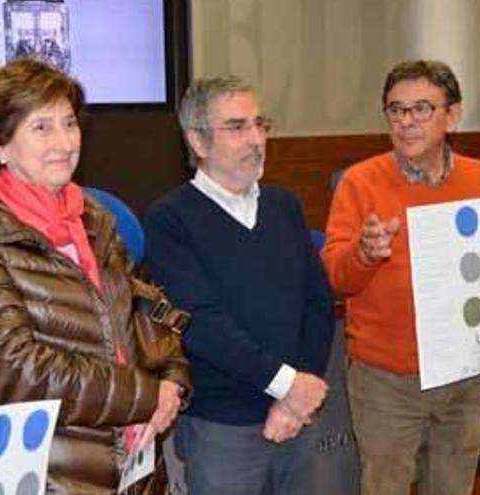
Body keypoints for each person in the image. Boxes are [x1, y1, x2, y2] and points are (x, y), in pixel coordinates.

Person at [0, 58, 191, 495]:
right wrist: (144, 395)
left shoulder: (95, 218)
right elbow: (14, 364)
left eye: (70, 124)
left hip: (134, 467)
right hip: (52, 475)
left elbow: (147, 314)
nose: (64, 142)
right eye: (41, 127)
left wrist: (173, 381)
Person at [322, 60, 480, 495]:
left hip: (468, 376)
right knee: (384, 487)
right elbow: (335, 278)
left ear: (452, 116)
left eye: (421, 108)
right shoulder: (359, 183)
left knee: (453, 487)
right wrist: (364, 253)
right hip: (388, 380)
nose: (406, 121)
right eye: (396, 110)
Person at [144, 76, 335, 495]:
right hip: (223, 426)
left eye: (259, 124)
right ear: (197, 141)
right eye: (237, 127)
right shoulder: (169, 219)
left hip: (299, 415)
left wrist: (299, 393)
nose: (256, 139)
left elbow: (318, 302)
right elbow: (201, 324)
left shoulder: (284, 205)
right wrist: (288, 386)